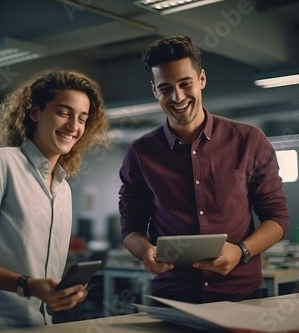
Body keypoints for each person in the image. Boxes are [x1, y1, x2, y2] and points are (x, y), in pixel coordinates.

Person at [118, 35, 289, 304]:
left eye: (185, 84)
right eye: (165, 88)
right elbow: (130, 228)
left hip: (240, 295)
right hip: (173, 296)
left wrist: (242, 251)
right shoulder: (140, 153)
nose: (177, 97)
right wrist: (145, 252)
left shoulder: (250, 140)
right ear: (154, 90)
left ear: (202, 79)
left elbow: (277, 218)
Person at [0, 68, 110, 333]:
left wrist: (61, 294)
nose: (74, 126)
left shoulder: (64, 189)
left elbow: (46, 278)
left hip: (41, 326)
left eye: (82, 118)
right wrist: (26, 285)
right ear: (35, 113)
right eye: (63, 112)